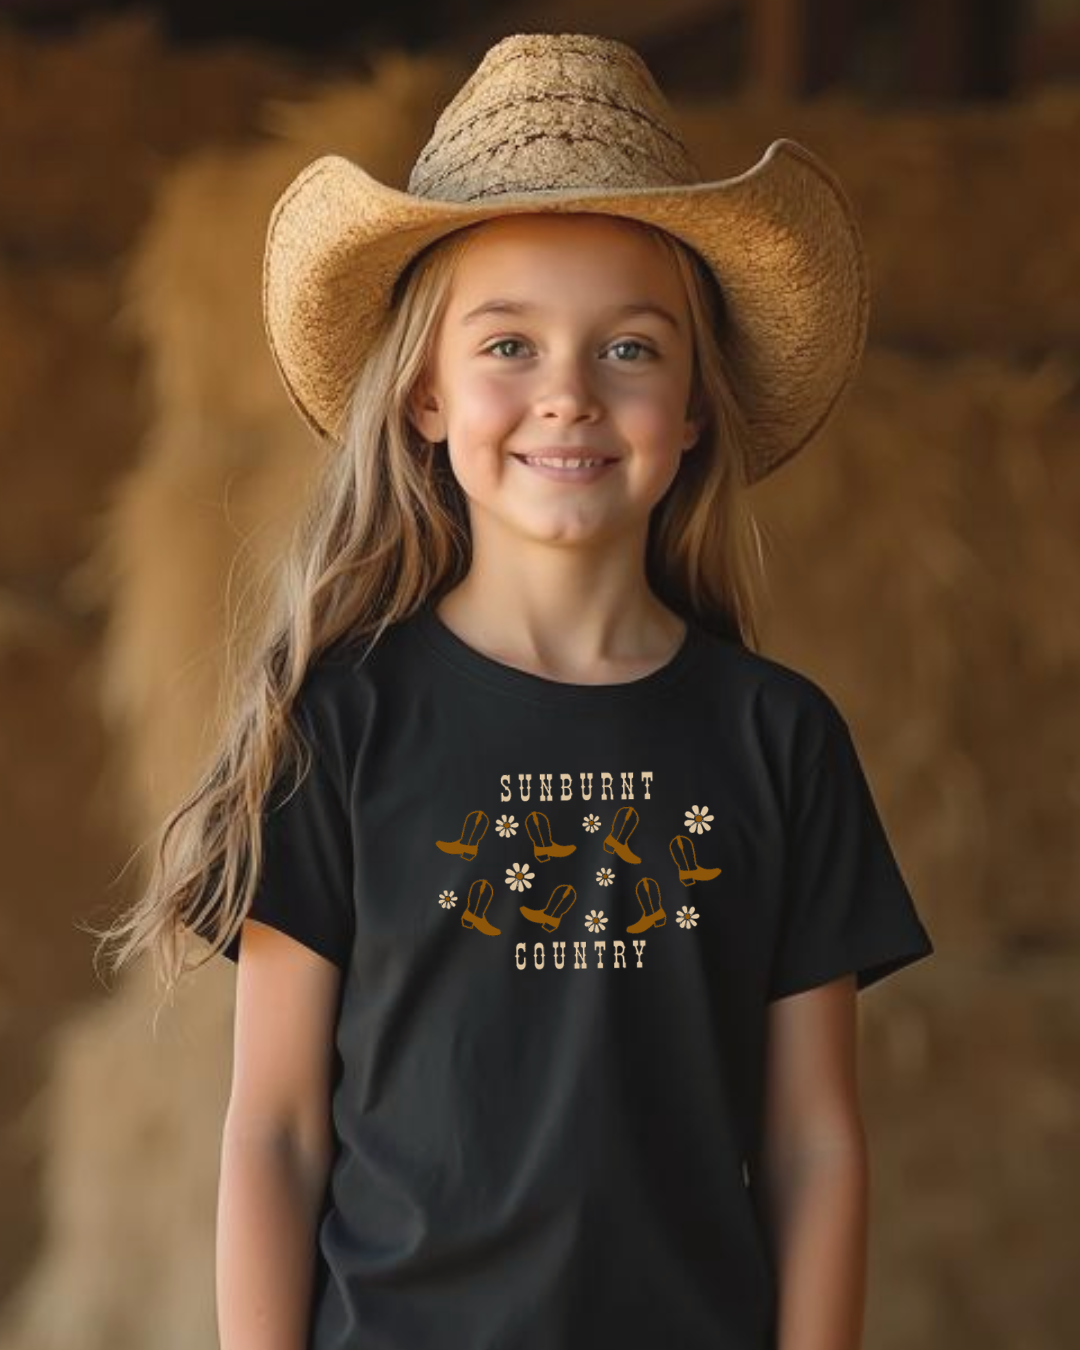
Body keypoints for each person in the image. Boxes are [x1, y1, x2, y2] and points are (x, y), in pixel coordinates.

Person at [95, 31, 934, 1350]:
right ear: (424, 396)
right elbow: (273, 1125)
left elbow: (815, 1139)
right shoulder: (341, 725)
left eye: (631, 351)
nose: (568, 397)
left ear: (699, 406)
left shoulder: (780, 741)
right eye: (509, 346)